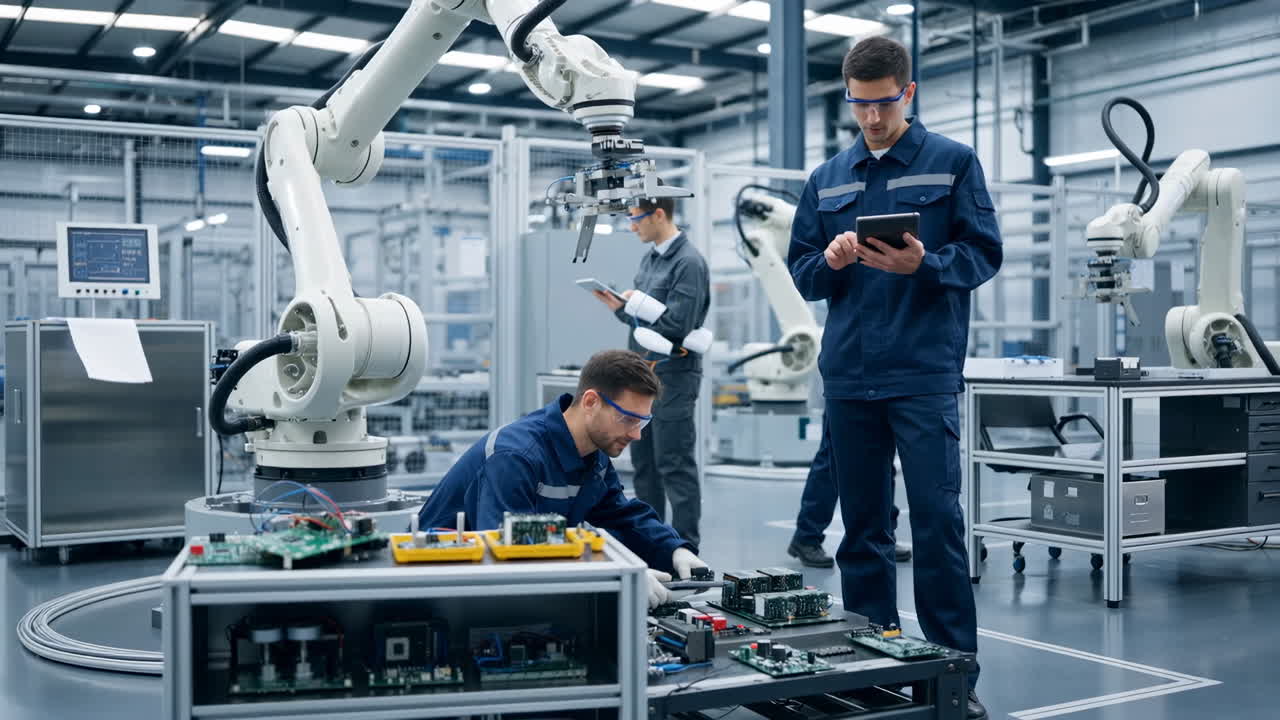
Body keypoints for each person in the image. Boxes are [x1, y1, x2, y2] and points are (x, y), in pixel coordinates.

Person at [787, 36, 1002, 719]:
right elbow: (802, 274)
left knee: (937, 526)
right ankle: (868, 671)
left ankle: (954, 679)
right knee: (864, 532)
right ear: (848, 98)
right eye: (860, 105)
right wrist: (832, 259)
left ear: (907, 92)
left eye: (883, 103)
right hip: (850, 375)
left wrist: (926, 265)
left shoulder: (952, 163)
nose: (872, 119)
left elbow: (983, 253)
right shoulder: (826, 179)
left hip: (922, 374)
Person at [417, 349, 709, 609]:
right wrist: (619, 572)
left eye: (643, 422)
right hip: (440, 593)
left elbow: (623, 517)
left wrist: (675, 550)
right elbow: (507, 553)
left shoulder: (593, 457)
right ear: (591, 402)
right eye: (628, 420)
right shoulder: (515, 457)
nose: (637, 434)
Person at [591, 195, 710, 549]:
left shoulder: (688, 263)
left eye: (636, 218)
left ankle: (687, 549)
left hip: (674, 375)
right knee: (644, 463)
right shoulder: (649, 259)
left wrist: (637, 307)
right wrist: (621, 308)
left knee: (674, 463)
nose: (632, 225)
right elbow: (646, 323)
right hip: (641, 376)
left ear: (659, 214)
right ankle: (650, 540)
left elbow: (678, 324)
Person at [787, 414, 912, 568]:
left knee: (884, 453)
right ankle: (806, 537)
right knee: (833, 454)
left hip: (886, 392)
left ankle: (885, 534)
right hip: (845, 393)